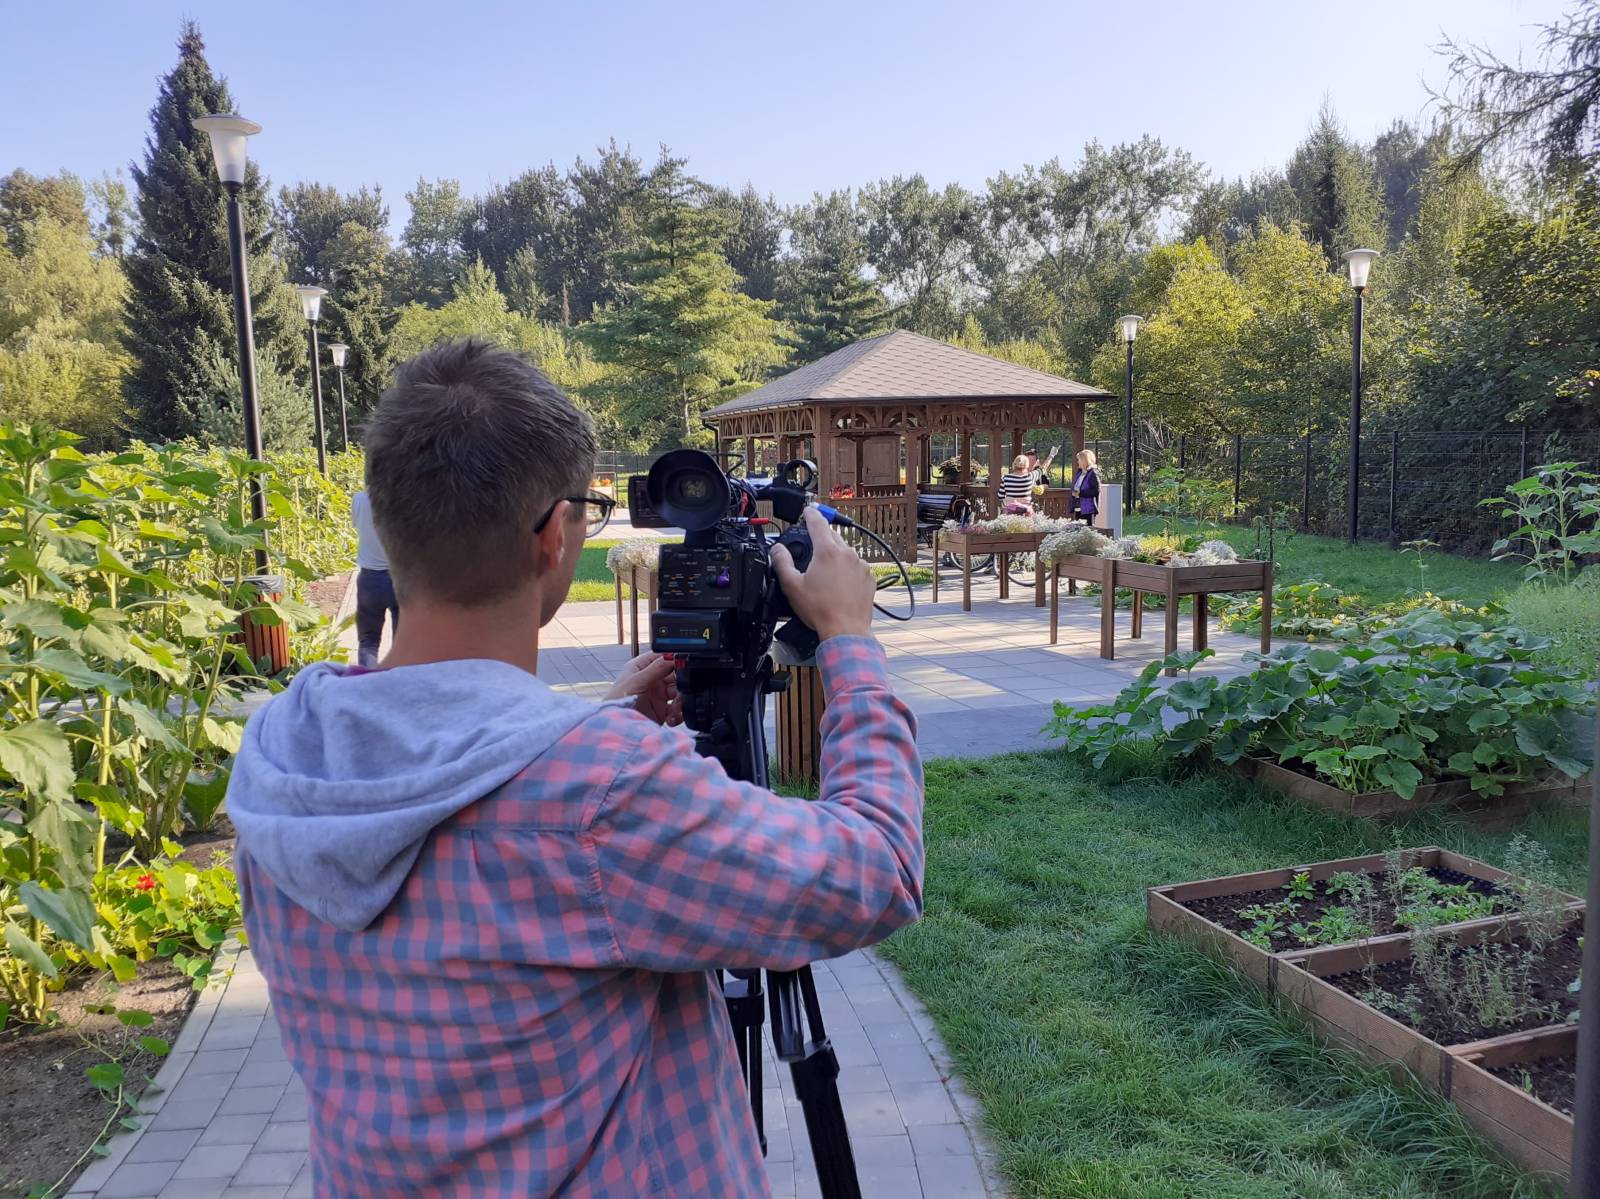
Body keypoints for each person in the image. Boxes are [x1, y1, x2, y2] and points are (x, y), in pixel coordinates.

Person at [226, 339, 924, 1198]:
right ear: (555, 537)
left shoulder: (283, 754)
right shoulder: (602, 793)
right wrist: (850, 641)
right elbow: (878, 869)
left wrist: (593, 725)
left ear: (388, 523)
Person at [350, 489, 398, 668]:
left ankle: (367, 679)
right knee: (401, 643)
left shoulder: (359, 499)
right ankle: (398, 679)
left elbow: (357, 524)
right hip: (401, 578)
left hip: (370, 579)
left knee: (368, 641)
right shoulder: (405, 499)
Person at [998, 444, 1059, 514]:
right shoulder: (1030, 477)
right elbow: (1043, 468)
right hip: (1025, 512)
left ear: (1014, 464)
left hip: (1009, 512)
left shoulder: (1006, 478)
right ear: (1026, 464)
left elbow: (1000, 496)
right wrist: (1051, 456)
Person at [1071, 448, 1102, 523]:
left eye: (1079, 460)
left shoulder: (1093, 473)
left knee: (1088, 529)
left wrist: (1080, 493)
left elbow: (1096, 491)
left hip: (1088, 509)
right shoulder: (1079, 473)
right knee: (1079, 528)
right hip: (1078, 507)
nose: (1078, 462)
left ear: (1084, 461)